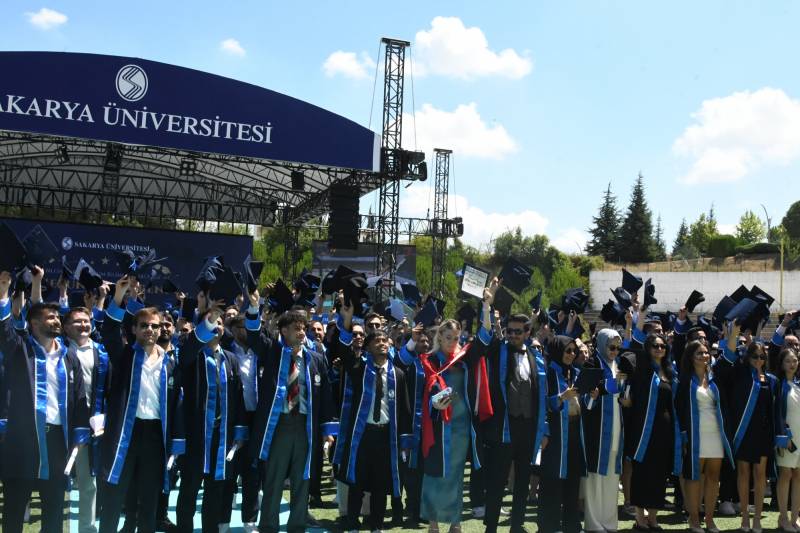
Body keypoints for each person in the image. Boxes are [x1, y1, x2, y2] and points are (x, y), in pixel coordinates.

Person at [0, 270, 90, 533]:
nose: (56, 320)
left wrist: (79, 434)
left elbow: (79, 397)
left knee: (54, 509)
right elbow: (4, 330)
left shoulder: (68, 356)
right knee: (15, 508)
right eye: (50, 317)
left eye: (57, 317)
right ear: (34, 324)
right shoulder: (21, 350)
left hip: (57, 441)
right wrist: (4, 290)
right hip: (23, 439)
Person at [97, 276, 184, 533]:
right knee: (114, 496)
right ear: (134, 329)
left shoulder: (170, 363)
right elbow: (109, 332)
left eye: (154, 326)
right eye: (144, 325)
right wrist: (118, 296)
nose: (150, 330)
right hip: (127, 433)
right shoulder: (125, 357)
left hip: (155, 436)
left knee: (149, 499)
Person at [244, 290, 336, 533]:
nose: (302, 332)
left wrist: (327, 430)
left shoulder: (315, 359)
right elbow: (253, 335)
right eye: (296, 328)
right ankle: (268, 526)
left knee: (302, 479)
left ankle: (297, 526)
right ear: (284, 331)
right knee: (274, 479)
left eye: (304, 328)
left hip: (306, 426)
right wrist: (253, 308)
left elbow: (326, 397)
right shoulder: (272, 352)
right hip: (279, 425)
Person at [419, 284, 493, 533]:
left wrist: (486, 306)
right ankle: (433, 523)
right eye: (448, 337)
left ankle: (455, 521)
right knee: (434, 473)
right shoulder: (430, 360)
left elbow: (485, 337)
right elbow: (425, 391)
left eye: (456, 338)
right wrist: (435, 401)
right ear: (439, 337)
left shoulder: (464, 358)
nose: (453, 342)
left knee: (456, 475)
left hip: (461, 427)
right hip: (437, 426)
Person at [335, 299, 412, 531]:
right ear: (368, 348)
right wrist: (347, 321)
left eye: (384, 340)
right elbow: (343, 352)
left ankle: (376, 524)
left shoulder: (398, 374)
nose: (381, 343)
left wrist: (405, 441)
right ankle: (352, 522)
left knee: (380, 484)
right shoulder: (359, 369)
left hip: (385, 436)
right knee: (357, 481)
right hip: (363, 434)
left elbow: (404, 410)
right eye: (376, 341)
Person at [175, 306, 248, 533]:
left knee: (216, 490)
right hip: (196, 435)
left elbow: (238, 397)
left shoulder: (231, 359)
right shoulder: (191, 355)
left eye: (220, 323)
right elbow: (189, 349)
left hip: (221, 435)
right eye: (211, 322)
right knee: (189, 489)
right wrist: (208, 320)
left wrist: (238, 432)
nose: (217, 326)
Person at [481, 312, 549, 533]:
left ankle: (517, 525)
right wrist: (486, 309)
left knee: (522, 480)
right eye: (509, 331)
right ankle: (491, 526)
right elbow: (484, 339)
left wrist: (544, 430)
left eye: (517, 331)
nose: (512, 335)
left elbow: (542, 396)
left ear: (527, 333)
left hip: (528, 427)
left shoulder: (536, 357)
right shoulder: (498, 352)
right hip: (504, 426)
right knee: (497, 480)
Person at [715, 323, 777, 533]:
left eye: (762, 357)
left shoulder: (771, 380)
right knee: (743, 473)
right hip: (743, 432)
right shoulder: (740, 374)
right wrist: (734, 334)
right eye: (754, 356)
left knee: (760, 475)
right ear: (747, 358)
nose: (758, 360)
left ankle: (757, 519)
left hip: (763, 433)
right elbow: (726, 361)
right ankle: (744, 519)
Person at [62, 304, 110, 533]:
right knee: (54, 479)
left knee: (88, 481)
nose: (83, 325)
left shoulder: (102, 352)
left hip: (91, 424)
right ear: (65, 327)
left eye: (86, 321)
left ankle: (87, 529)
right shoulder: (57, 350)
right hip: (62, 423)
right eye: (77, 321)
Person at [626, 333, 681, 531]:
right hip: (644, 429)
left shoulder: (670, 372)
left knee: (659, 474)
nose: (659, 349)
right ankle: (640, 518)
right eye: (655, 346)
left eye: (662, 346)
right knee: (642, 472)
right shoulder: (642, 370)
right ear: (648, 349)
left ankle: (653, 517)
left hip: (664, 432)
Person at [676, 340, 733, 532]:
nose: (704, 356)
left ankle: (709, 519)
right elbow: (679, 409)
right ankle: (694, 519)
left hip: (715, 434)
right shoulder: (685, 381)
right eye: (699, 353)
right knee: (694, 476)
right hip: (696, 435)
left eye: (706, 352)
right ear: (691, 357)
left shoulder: (715, 378)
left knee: (713, 477)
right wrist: (684, 436)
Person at [539, 334, 585, 533]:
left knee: (572, 481)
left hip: (575, 433)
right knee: (552, 481)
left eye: (574, 351)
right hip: (556, 433)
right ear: (558, 350)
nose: (572, 354)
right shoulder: (548, 373)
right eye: (568, 350)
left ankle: (571, 525)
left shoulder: (576, 373)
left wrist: (592, 396)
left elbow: (584, 405)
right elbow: (542, 404)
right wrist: (561, 397)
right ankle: (549, 525)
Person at [581, 328, 626, 532]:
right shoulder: (592, 364)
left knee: (612, 478)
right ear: (601, 344)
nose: (614, 351)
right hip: (597, 430)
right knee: (594, 478)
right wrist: (610, 386)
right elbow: (587, 398)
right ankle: (594, 523)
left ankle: (609, 522)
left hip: (617, 428)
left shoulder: (619, 365)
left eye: (617, 347)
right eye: (611, 347)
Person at [222, 315, 262, 532]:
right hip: (232, 417)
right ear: (234, 330)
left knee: (252, 473)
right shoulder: (226, 351)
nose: (248, 331)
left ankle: (250, 521)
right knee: (229, 471)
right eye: (243, 327)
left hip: (256, 418)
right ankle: (223, 521)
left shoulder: (260, 353)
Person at [775, 347, 800, 532]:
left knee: (798, 476)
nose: (792, 364)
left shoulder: (798, 384)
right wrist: (784, 436)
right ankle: (783, 518)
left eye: (795, 360)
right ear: (782, 364)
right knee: (785, 475)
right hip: (788, 438)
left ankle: (794, 517)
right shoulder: (778, 384)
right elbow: (777, 414)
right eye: (788, 361)